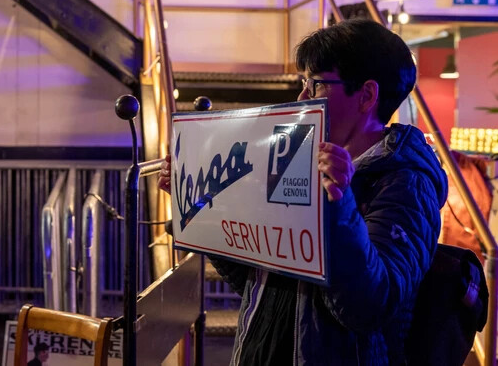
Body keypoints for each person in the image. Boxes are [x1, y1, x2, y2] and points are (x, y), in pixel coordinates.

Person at [158, 19, 446, 364]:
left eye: (317, 83)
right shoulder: (297, 157)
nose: (302, 97)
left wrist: (339, 207)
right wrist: (200, 203)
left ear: (367, 95)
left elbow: (371, 306)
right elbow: (261, 283)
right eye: (303, 82)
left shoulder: (407, 182)